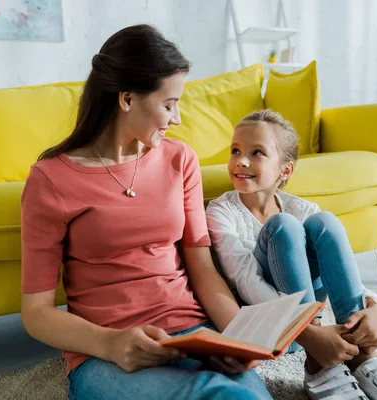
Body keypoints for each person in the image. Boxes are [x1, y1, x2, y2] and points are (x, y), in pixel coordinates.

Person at [20, 24, 272, 400]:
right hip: (105, 350)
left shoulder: (180, 159)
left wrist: (238, 337)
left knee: (239, 395)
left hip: (192, 333)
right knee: (212, 394)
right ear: (126, 99)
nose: (177, 118)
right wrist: (110, 343)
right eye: (169, 104)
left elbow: (201, 268)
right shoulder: (51, 179)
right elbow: (35, 312)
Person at [206, 110, 377, 400]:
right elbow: (245, 279)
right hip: (277, 330)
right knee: (283, 226)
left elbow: (340, 269)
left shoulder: (302, 208)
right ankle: (319, 360)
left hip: (313, 328)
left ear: (285, 170)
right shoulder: (220, 211)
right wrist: (307, 332)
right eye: (235, 151)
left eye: (257, 153)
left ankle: (359, 354)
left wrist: (375, 306)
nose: (241, 161)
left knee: (324, 223)